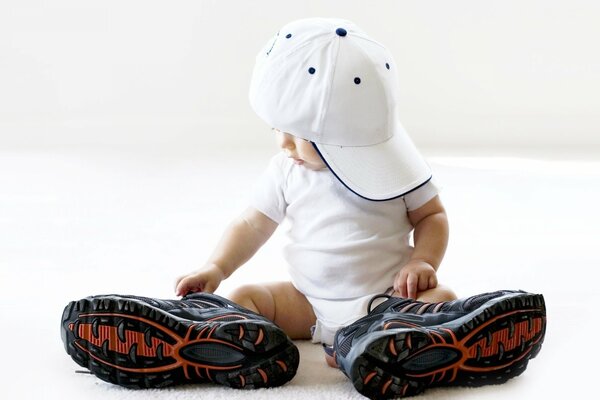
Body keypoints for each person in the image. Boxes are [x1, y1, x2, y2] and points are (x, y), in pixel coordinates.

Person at [61, 18, 546, 399]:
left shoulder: (395, 166)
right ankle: (222, 336)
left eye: (300, 136)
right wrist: (216, 266)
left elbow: (432, 217)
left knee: (440, 295)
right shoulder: (286, 169)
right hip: (306, 302)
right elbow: (252, 222)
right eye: (280, 131)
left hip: (385, 301)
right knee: (250, 294)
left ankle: (404, 342)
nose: (286, 145)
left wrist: (423, 262)